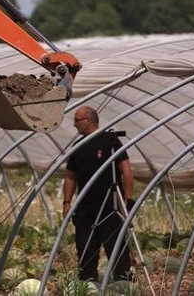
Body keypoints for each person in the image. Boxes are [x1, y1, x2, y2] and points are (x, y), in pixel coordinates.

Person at [63, 105, 135, 282]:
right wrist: (66, 202)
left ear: (88, 121)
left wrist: (128, 199)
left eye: (77, 120)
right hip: (85, 210)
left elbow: (126, 169)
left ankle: (123, 286)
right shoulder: (77, 146)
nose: (74, 125)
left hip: (110, 206)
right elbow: (71, 176)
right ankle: (88, 285)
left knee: (117, 251)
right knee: (86, 252)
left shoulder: (110, 142)